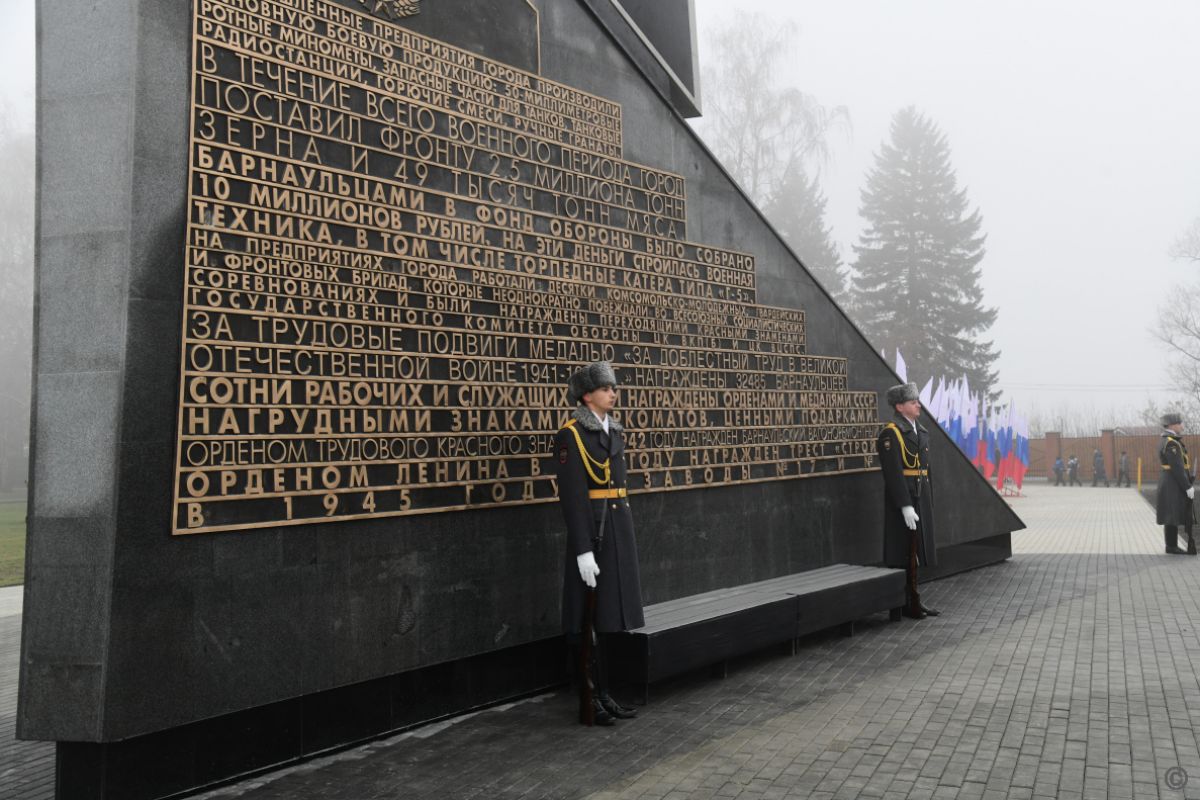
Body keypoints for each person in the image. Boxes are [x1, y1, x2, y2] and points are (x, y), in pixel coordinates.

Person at [555, 361, 644, 725]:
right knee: (588, 619)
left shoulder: (614, 431)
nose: (613, 393)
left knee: (608, 618)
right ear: (587, 395)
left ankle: (607, 693)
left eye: (613, 387)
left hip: (617, 530)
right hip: (594, 534)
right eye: (606, 388)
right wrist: (582, 550)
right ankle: (592, 695)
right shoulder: (572, 435)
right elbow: (573, 497)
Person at [876, 382, 939, 619]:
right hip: (904, 500)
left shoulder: (920, 431)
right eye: (913, 402)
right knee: (903, 551)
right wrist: (905, 505)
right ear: (900, 406)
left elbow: (926, 469)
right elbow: (893, 473)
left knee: (917, 551)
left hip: (920, 496)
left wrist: (929, 499)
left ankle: (913, 599)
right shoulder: (890, 433)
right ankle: (902, 603)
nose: (918, 405)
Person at [1157, 412, 1195, 555]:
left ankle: (1171, 545)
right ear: (1173, 425)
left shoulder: (1167, 440)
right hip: (1172, 482)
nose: (1182, 426)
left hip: (1169, 481)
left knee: (1170, 514)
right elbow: (1177, 467)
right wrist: (1187, 486)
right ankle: (1171, 546)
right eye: (1180, 423)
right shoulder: (1171, 442)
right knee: (1171, 513)